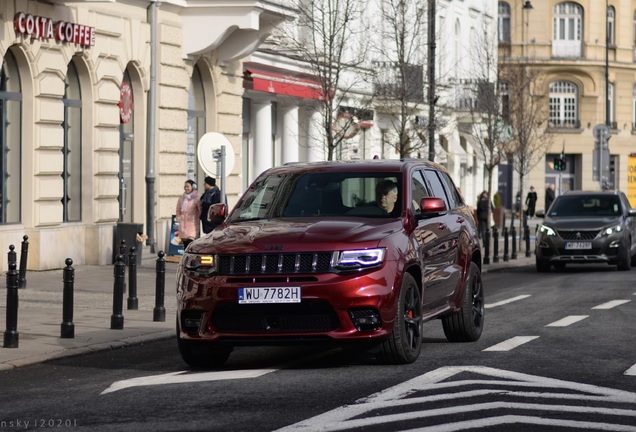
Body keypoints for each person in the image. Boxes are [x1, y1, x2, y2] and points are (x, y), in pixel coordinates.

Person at [176, 179, 201, 249]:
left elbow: (200, 211)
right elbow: (178, 210)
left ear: (193, 187)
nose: (186, 188)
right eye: (185, 186)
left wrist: (195, 218)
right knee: (185, 246)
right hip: (183, 225)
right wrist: (179, 218)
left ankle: (191, 259)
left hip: (193, 225)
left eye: (188, 186)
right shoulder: (181, 198)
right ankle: (186, 259)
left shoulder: (196, 198)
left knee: (190, 244)